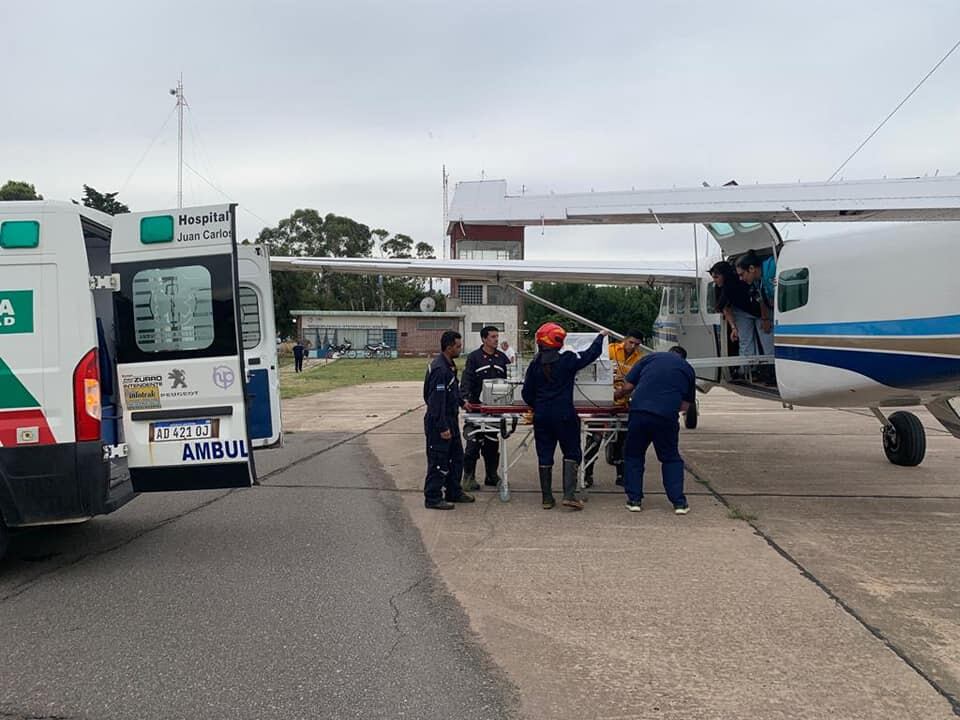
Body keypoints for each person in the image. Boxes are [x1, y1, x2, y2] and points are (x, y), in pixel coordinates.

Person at [521, 322, 607, 510]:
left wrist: (538, 406)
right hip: (564, 415)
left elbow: (526, 393)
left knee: (544, 454)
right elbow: (590, 355)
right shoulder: (567, 359)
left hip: (542, 416)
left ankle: (547, 498)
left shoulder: (534, 364)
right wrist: (600, 337)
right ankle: (569, 495)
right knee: (572, 452)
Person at [614, 345, 695, 514]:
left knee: (634, 455)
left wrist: (614, 396)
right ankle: (679, 503)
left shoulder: (649, 359)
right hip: (666, 417)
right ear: (683, 358)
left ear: (668, 352)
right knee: (670, 458)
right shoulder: (687, 369)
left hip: (640, 413)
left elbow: (627, 387)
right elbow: (685, 406)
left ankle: (634, 500)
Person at [583, 329, 645, 487]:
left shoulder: (640, 359)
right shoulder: (610, 350)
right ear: (625, 339)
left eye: (637, 344)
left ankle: (621, 474)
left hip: (622, 403)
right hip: (601, 402)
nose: (633, 346)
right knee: (594, 438)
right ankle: (587, 474)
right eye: (631, 342)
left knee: (621, 440)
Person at [422, 330, 476, 510]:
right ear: (448, 347)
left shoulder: (450, 366)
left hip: (451, 420)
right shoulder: (439, 369)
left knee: (456, 458)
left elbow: (452, 390)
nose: (460, 349)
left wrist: (462, 402)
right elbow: (435, 402)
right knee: (439, 461)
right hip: (439, 422)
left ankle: (454, 491)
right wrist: (442, 427)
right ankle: (433, 497)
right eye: (458, 346)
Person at [460, 326, 511, 490]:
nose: (496, 339)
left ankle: (491, 475)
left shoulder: (502, 358)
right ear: (484, 339)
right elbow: (466, 379)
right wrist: (465, 399)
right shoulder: (474, 358)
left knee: (492, 443)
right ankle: (468, 478)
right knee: (473, 442)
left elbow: (510, 381)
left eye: (497, 336)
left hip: (495, 410)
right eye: (493, 337)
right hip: (476, 408)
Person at [709, 260, 761, 373]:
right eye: (713, 277)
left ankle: (763, 369)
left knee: (762, 339)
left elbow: (724, 307)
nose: (715, 280)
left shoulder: (739, 281)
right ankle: (747, 370)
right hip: (741, 311)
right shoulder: (720, 288)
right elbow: (725, 308)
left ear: (725, 275)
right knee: (745, 341)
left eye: (716, 277)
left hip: (758, 310)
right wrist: (733, 327)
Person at [736, 251, 777, 383]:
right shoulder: (757, 281)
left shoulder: (773, 269)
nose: (741, 279)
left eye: (742, 274)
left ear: (752, 268)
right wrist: (765, 318)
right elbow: (761, 299)